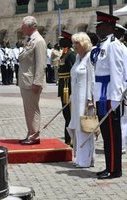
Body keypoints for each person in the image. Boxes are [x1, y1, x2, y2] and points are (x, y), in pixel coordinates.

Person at [91, 11, 126, 179]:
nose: (97, 29)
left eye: (100, 26)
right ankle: (109, 166)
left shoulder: (113, 45)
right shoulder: (103, 45)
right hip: (101, 94)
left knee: (112, 134)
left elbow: (117, 73)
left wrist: (115, 98)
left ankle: (115, 169)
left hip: (109, 95)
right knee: (106, 134)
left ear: (109, 27)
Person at [68, 32, 95, 168]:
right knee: (77, 128)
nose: (75, 46)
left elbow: (92, 79)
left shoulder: (90, 57)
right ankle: (80, 157)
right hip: (77, 97)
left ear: (84, 43)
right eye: (74, 43)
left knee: (85, 128)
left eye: (77, 43)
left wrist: (90, 99)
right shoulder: (78, 57)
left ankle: (85, 160)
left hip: (85, 98)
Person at [18, 16, 47, 145]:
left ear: (30, 27)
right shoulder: (30, 40)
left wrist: (37, 82)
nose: (21, 28)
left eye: (23, 26)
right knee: (28, 110)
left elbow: (41, 64)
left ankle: (34, 136)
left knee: (32, 109)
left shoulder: (38, 41)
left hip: (32, 82)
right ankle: (31, 133)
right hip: (27, 81)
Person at [58, 31, 76, 145]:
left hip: (68, 87)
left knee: (69, 114)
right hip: (63, 86)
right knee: (66, 115)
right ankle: (68, 139)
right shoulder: (65, 53)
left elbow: (73, 72)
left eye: (62, 40)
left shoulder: (71, 54)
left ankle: (71, 140)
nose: (60, 41)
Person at [114, 23, 127, 154]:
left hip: (122, 89)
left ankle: (122, 145)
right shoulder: (117, 47)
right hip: (119, 88)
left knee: (122, 118)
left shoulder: (121, 48)